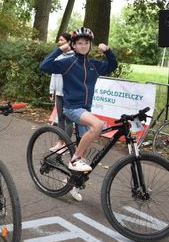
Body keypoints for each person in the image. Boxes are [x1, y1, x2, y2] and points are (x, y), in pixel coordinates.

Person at [40, 27, 118, 172]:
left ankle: (72, 181)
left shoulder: (94, 65)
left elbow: (112, 66)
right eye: (80, 43)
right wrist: (60, 50)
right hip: (72, 108)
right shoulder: (68, 62)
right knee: (98, 125)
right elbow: (44, 66)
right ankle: (74, 160)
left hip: (86, 109)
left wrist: (108, 51)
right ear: (74, 45)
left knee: (84, 147)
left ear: (90, 45)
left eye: (86, 43)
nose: (84, 46)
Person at [48, 32, 82, 201]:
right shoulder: (60, 56)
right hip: (60, 93)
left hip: (70, 95)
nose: (59, 43)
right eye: (59, 40)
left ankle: (66, 145)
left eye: (62, 40)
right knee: (61, 119)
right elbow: (53, 73)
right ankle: (61, 143)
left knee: (69, 121)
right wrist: (51, 91)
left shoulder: (75, 57)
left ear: (69, 42)